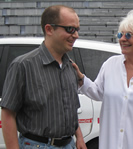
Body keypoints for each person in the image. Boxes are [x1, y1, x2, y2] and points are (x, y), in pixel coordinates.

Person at [72, 10, 133, 149]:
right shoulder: (110, 64)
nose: (122, 39)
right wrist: (81, 78)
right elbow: (98, 92)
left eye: (129, 35)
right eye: (120, 34)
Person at [0, 5, 87, 149]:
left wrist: (79, 137)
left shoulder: (70, 67)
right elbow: (8, 114)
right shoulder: (23, 66)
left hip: (69, 145)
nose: (76, 35)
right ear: (49, 29)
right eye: (70, 29)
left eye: (77, 29)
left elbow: (71, 110)